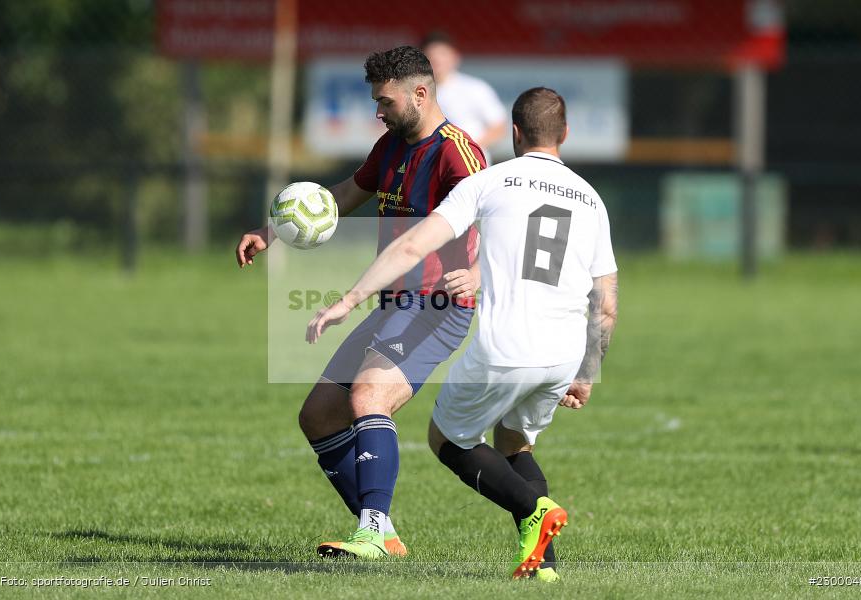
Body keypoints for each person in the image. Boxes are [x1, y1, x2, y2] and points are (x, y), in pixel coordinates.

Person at [308, 87, 619, 580]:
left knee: (447, 440)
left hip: (506, 345)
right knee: (515, 442)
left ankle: (536, 510)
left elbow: (412, 247)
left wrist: (348, 299)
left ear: (514, 134)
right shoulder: (593, 200)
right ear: (565, 134)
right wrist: (586, 372)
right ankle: (544, 566)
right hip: (563, 352)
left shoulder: (492, 180)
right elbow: (606, 305)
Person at [236, 46, 486, 559]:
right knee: (320, 416)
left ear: (420, 93)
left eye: (386, 101)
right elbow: (350, 191)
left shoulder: (458, 153)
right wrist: (272, 232)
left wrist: (479, 274)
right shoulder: (391, 145)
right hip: (395, 305)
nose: (378, 110)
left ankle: (371, 531)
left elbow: (498, 221)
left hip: (436, 308)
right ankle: (385, 534)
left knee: (368, 397)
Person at [422, 31, 507, 158]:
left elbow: (499, 127)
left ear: (455, 57)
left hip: (471, 164)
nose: (437, 60)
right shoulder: (417, 93)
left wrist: (467, 148)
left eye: (442, 54)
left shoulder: (475, 88)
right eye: (431, 56)